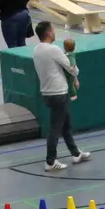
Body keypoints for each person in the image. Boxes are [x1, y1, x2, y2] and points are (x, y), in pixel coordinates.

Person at [32, 21, 87, 171]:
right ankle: (50, 162)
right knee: (56, 128)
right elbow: (70, 67)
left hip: (48, 93)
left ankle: (75, 153)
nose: (55, 33)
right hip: (58, 93)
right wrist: (76, 74)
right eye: (53, 30)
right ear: (49, 33)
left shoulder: (36, 50)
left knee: (66, 124)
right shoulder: (53, 49)